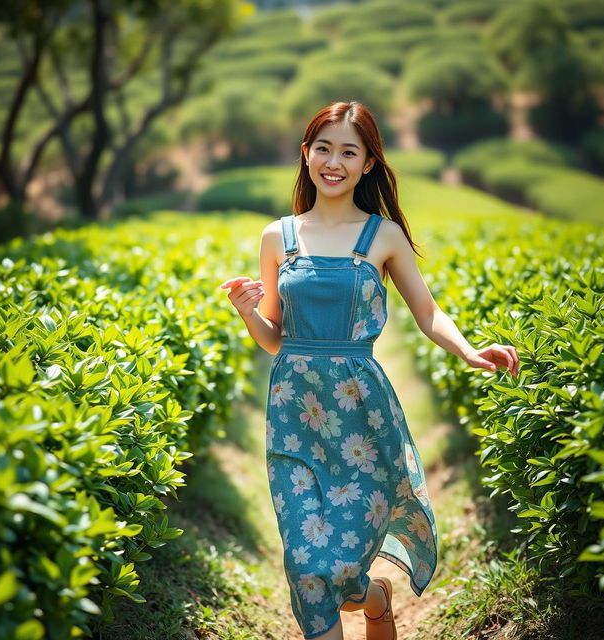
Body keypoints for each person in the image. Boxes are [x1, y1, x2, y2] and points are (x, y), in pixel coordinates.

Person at [220, 101, 519, 640]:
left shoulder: (381, 236)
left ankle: (373, 597)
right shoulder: (277, 237)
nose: (333, 161)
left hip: (362, 416)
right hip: (294, 412)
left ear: (368, 165)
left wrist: (469, 351)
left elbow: (427, 313)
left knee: (342, 569)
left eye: (348, 152)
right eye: (323, 148)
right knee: (307, 566)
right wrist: (248, 312)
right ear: (306, 154)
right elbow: (274, 339)